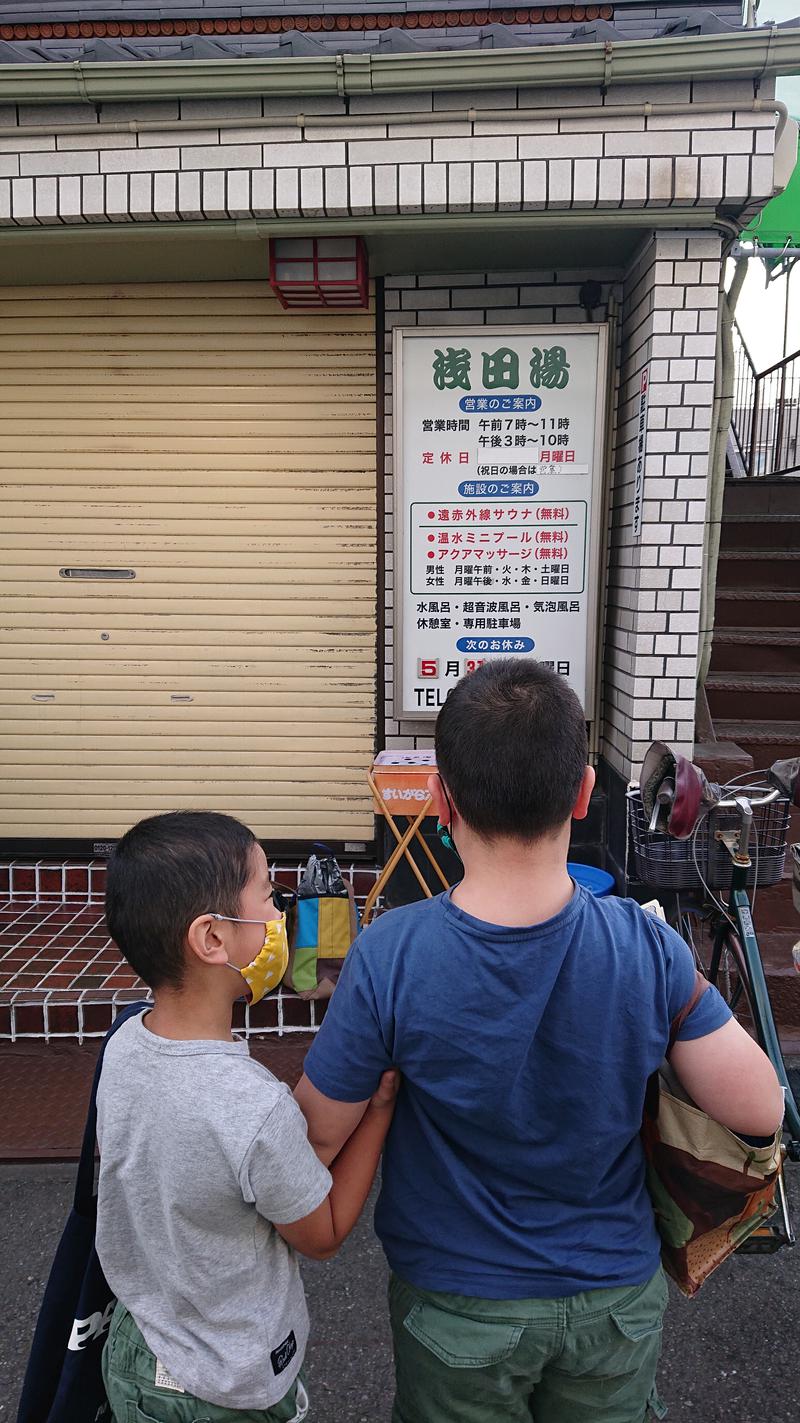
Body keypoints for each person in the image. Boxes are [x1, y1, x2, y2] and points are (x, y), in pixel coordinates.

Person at [295, 659, 784, 1423]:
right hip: (612, 1301)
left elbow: (315, 1137)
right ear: (584, 793)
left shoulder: (391, 953)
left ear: (438, 800)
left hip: (458, 1303)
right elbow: (758, 1108)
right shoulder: (645, 946)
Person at [97, 810, 397, 1422]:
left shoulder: (124, 1045)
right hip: (226, 1385)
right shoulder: (251, 1106)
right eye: (268, 893)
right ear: (212, 939)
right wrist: (379, 1112)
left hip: (138, 1347)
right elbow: (324, 1232)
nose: (282, 914)